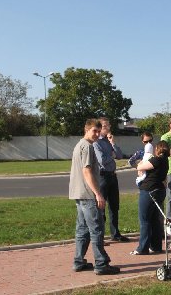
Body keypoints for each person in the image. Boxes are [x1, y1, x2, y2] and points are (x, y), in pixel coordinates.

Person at [69, 118, 120, 275]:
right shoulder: (87, 147)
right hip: (88, 195)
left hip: (79, 194)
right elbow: (87, 171)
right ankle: (101, 264)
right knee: (96, 229)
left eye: (99, 131)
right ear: (86, 129)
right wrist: (98, 194)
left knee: (82, 229)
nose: (97, 134)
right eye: (94, 131)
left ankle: (78, 261)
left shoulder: (79, 145)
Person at [93, 117, 129, 242]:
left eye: (109, 126)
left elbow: (119, 155)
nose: (108, 129)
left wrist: (113, 143)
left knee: (114, 206)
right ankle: (100, 236)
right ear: (99, 128)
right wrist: (111, 155)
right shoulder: (96, 142)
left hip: (113, 175)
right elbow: (102, 160)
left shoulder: (109, 141)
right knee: (101, 207)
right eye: (105, 127)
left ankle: (115, 234)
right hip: (102, 176)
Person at [130, 140, 170, 255]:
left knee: (145, 219)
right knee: (154, 220)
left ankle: (142, 248)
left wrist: (139, 161)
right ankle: (156, 246)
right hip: (159, 190)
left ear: (158, 149)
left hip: (149, 190)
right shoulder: (166, 160)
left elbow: (141, 166)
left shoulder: (157, 159)